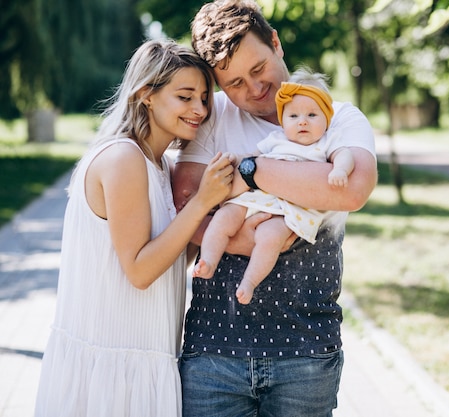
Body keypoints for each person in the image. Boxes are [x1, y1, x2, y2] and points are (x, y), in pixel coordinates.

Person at [172, 1, 377, 415]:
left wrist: (251, 171)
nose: (253, 88)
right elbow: (184, 205)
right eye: (233, 83)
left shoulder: (337, 117)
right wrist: (251, 239)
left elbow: (351, 190)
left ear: (276, 43)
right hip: (215, 350)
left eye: (258, 68)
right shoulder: (211, 118)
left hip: (307, 349)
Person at [34, 39, 234, 417]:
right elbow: (140, 271)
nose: (200, 110)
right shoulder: (123, 157)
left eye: (205, 98)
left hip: (147, 358)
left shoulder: (163, 165)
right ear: (147, 95)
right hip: (109, 371)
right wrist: (203, 202)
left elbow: (172, 255)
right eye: (185, 96)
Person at [193, 68, 355, 305]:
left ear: (326, 118)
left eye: (312, 115)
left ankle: (249, 281)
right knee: (224, 217)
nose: (302, 121)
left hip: (291, 208)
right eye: (293, 116)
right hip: (258, 197)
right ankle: (208, 259)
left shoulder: (327, 141)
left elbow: (345, 155)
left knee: (270, 238)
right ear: (282, 120)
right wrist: (233, 160)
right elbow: (250, 157)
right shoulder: (277, 138)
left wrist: (340, 169)